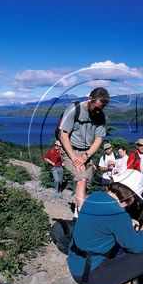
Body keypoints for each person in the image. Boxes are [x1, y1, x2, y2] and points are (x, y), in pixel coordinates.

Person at [68, 169, 143, 284]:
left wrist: (126, 225)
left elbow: (104, 224)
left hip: (76, 263)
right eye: (134, 200)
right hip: (92, 276)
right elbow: (137, 247)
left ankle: (137, 279)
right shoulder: (118, 215)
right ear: (130, 196)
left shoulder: (94, 196)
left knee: (126, 237)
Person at [58, 87, 110, 218]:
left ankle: (78, 209)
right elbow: (63, 135)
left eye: (101, 108)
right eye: (96, 107)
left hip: (87, 153)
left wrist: (86, 156)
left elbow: (99, 138)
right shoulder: (74, 109)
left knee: (85, 183)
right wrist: (75, 158)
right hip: (71, 149)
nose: (99, 110)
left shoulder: (100, 115)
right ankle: (82, 216)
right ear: (89, 99)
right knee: (82, 178)